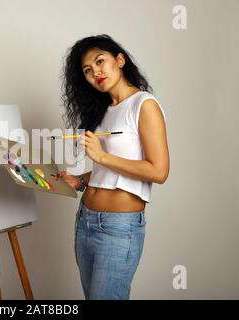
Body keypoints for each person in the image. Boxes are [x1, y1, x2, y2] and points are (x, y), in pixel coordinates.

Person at [59, 34, 170, 300]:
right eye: (87, 70)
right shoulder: (104, 111)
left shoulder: (144, 105)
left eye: (100, 61)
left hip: (119, 228)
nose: (95, 72)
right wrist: (81, 180)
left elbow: (159, 171)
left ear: (119, 60)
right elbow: (108, 170)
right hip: (85, 220)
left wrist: (102, 157)